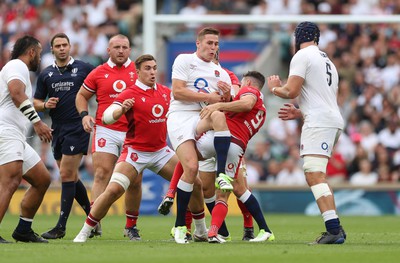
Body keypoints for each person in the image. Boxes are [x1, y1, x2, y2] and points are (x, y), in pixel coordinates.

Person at [73, 54, 203, 243]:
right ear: (137, 72)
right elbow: (108, 117)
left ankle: (201, 230)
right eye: (147, 69)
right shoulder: (129, 94)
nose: (152, 72)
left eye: (154, 68)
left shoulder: (166, 93)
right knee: (113, 190)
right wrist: (121, 110)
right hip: (135, 152)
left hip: (160, 151)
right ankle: (85, 231)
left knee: (195, 182)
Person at [267, 21, 346, 244]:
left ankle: (333, 230)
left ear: (298, 37)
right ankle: (335, 226)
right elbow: (322, 98)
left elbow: (290, 90)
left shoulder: (302, 55)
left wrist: (273, 87)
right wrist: (301, 111)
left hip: (320, 122)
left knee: (313, 173)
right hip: (332, 119)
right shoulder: (327, 60)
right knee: (318, 173)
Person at [166, 27, 233, 244]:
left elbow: (225, 104)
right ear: (198, 43)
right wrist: (210, 97)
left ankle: (221, 174)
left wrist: (225, 96)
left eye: (216, 44)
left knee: (220, 117)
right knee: (191, 169)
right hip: (179, 116)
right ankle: (179, 226)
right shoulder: (184, 60)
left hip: (200, 117)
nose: (213, 48)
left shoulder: (221, 73)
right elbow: (178, 92)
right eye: (209, 43)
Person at [75, 34, 142, 240]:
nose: (121, 51)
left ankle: (130, 226)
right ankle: (95, 223)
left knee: (135, 181)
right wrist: (84, 116)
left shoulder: (139, 71)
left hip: (133, 131)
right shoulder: (98, 72)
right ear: (108, 50)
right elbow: (81, 96)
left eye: (125, 47)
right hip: (106, 129)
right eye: (117, 47)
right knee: (101, 174)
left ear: (130, 50)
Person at [196, 71, 275, 243]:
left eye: (241, 84)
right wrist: (226, 99)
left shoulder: (251, 92)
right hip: (234, 145)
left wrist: (218, 106)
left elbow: (246, 103)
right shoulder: (262, 109)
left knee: (221, 191)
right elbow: (242, 108)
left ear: (247, 82)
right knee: (237, 190)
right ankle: (261, 229)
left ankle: (212, 231)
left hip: (229, 142)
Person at [33, 33, 95, 239]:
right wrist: (44, 105)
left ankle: (61, 226)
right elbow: (36, 101)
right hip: (57, 129)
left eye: (64, 45)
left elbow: (100, 86)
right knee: (71, 176)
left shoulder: (84, 68)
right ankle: (93, 218)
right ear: (52, 49)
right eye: (57, 45)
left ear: (70, 47)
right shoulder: (46, 74)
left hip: (77, 126)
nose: (61, 48)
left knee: (66, 175)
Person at [0, 35, 52, 243]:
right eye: (39, 53)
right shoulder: (16, 65)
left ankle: (23, 230)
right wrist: (38, 122)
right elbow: (16, 94)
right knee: (10, 181)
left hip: (16, 134)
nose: (39, 57)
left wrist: (45, 106)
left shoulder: (16, 68)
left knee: (42, 179)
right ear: (32, 52)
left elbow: (19, 98)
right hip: (6, 131)